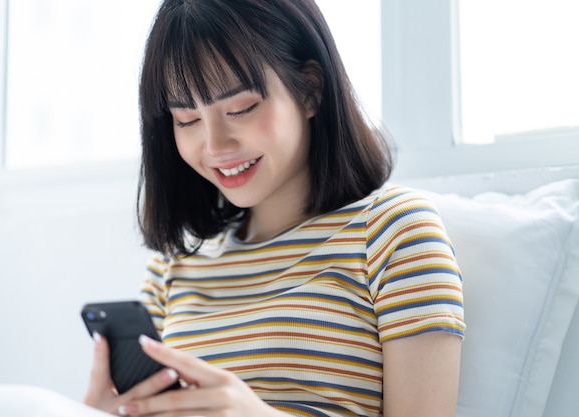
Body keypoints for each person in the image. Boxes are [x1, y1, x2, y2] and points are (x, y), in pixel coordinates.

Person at [80, 1, 466, 416]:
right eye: (187, 119)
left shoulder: (392, 232)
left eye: (241, 109)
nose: (214, 146)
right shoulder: (174, 268)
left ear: (311, 91)